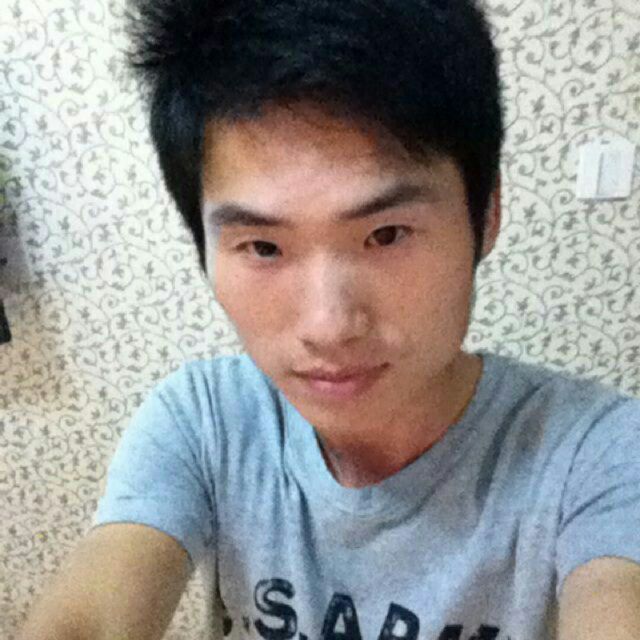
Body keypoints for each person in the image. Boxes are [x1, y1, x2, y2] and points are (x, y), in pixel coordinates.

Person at [18, 0, 640, 639]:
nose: (329, 326)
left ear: (485, 216)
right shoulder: (207, 421)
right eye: (264, 247)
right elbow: (89, 618)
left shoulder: (596, 452)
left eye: (387, 234)